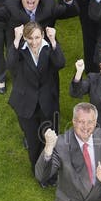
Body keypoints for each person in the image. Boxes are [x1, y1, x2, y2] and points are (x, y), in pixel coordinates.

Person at [6, 22, 66, 171]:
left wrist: (53, 41)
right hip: (26, 104)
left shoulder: (49, 48)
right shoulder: (20, 50)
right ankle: (38, 171)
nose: (34, 42)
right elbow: (10, 64)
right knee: (33, 143)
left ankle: (51, 168)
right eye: (30, 38)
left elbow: (60, 63)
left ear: (43, 36)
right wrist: (16, 39)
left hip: (47, 103)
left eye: (37, 37)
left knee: (50, 139)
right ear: (25, 38)